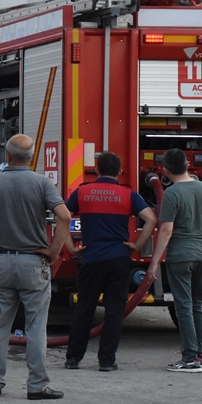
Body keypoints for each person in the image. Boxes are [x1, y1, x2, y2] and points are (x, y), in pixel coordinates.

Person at [0, 134, 70, 400]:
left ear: (7, 156)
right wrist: (54, 252)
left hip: (1, 262)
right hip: (34, 263)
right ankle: (36, 385)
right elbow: (65, 216)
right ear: (31, 157)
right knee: (35, 326)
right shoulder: (42, 183)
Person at [63, 151, 157, 371]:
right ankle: (106, 361)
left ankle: (73, 358)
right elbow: (151, 219)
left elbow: (62, 216)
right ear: (119, 172)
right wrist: (137, 245)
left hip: (91, 258)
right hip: (118, 258)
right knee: (114, 310)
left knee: (84, 308)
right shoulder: (128, 195)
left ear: (97, 170)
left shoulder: (83, 192)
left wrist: (71, 247)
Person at [146, 148, 202, 373]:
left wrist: (154, 261)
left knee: (183, 306)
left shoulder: (172, 194)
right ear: (188, 164)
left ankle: (188, 359)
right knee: (198, 305)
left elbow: (166, 230)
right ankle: (200, 355)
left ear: (165, 170)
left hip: (181, 257)